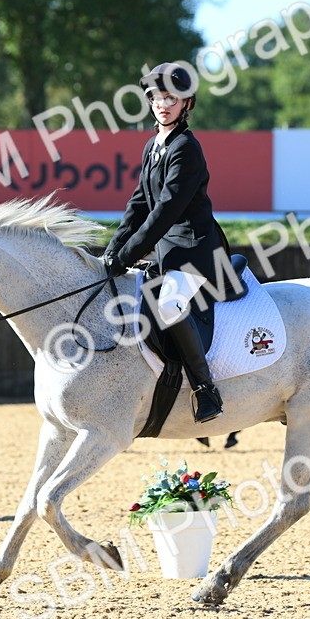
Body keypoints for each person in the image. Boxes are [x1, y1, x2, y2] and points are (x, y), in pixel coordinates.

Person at [103, 62, 228, 423]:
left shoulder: (186, 148)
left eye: (171, 97)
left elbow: (164, 212)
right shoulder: (153, 145)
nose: (163, 103)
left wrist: (127, 255)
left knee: (168, 305)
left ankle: (206, 389)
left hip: (193, 250)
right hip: (164, 251)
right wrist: (113, 249)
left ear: (187, 103)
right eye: (157, 97)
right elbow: (139, 203)